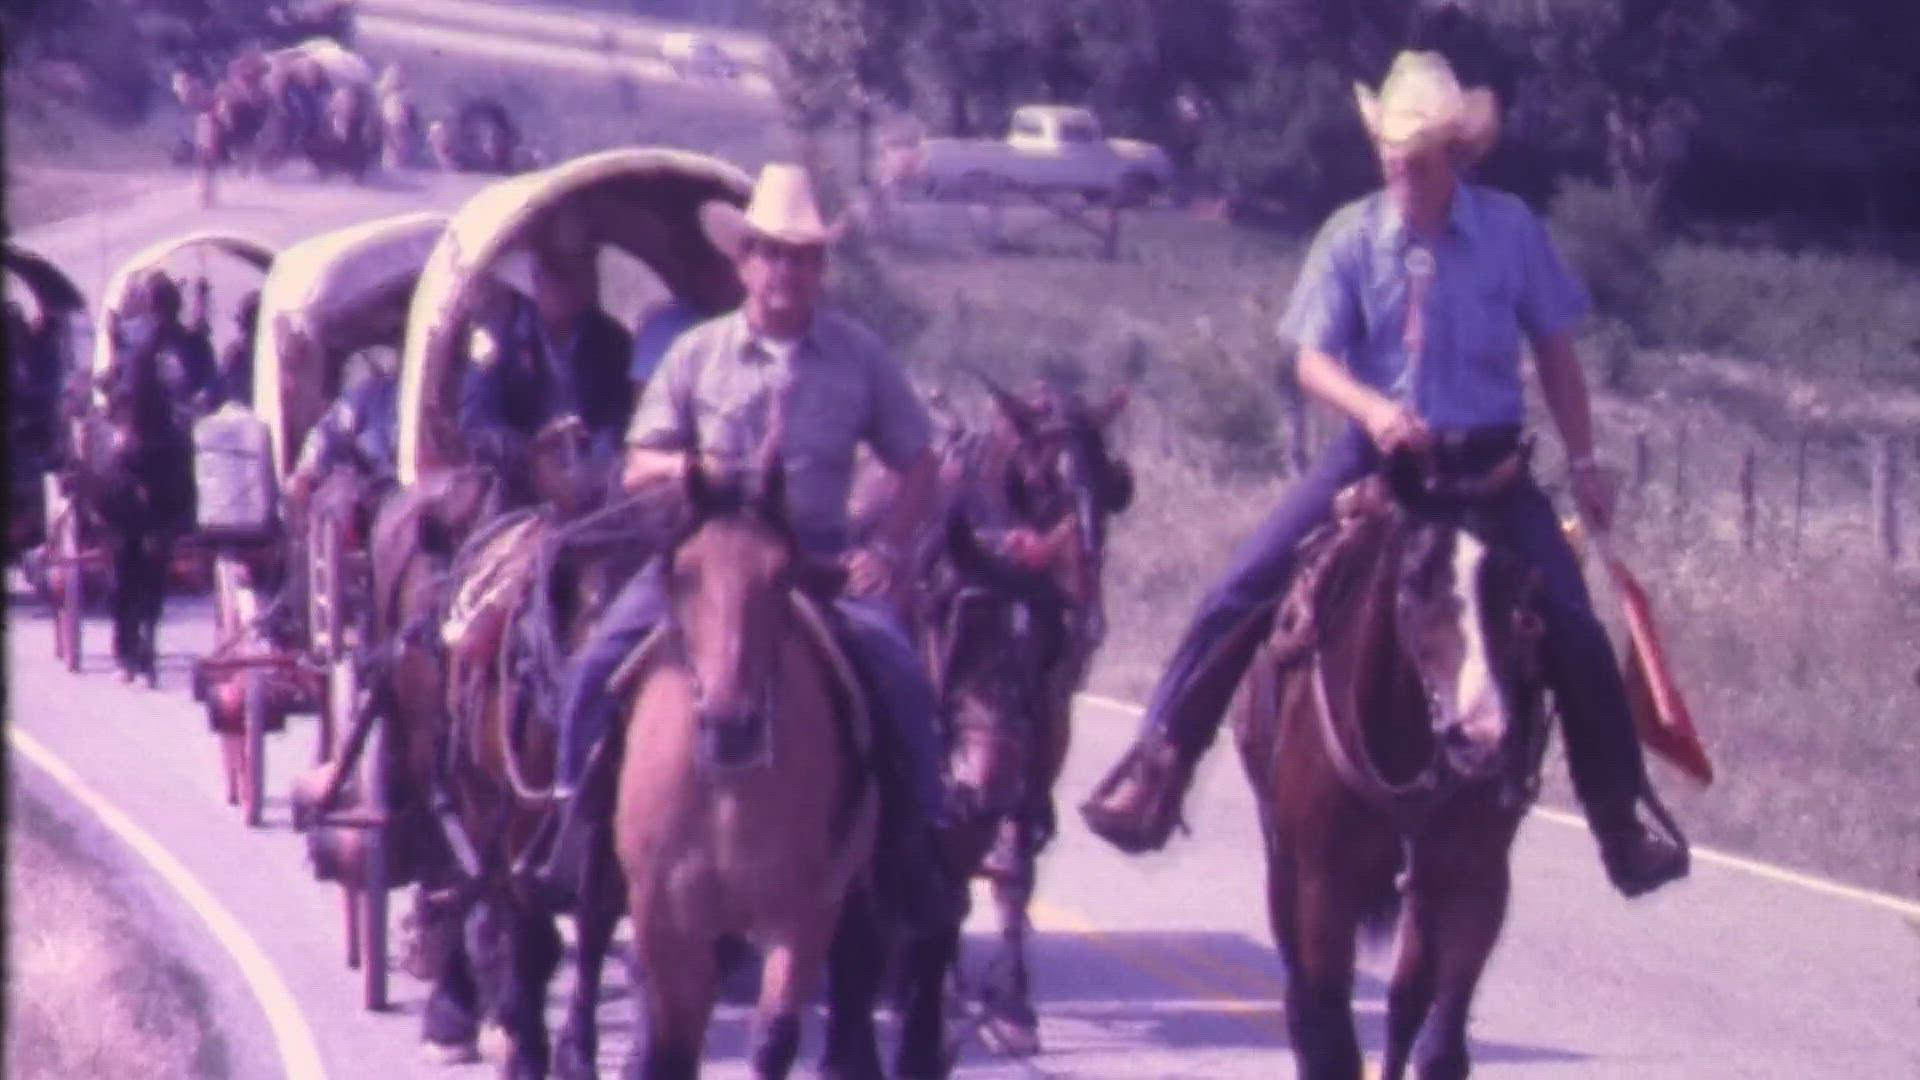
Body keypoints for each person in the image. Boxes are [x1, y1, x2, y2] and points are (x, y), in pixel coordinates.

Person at [1079, 52, 1689, 899]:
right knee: (1239, 589)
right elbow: (1311, 360)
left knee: (1578, 634)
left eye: (1416, 157)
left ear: (1454, 158)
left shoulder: (1511, 231)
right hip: (1378, 460)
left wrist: (1584, 462)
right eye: (1390, 154)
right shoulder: (1353, 234)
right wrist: (1371, 410)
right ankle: (1159, 766)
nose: (1399, 168)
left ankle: (1620, 823)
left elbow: (1555, 349)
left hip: (1490, 472)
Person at [522, 164, 956, 931]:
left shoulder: (859, 358)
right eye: (771, 253)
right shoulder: (697, 355)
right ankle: (568, 826)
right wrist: (693, 469)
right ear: (743, 261)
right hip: (706, 562)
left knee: (898, 671)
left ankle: (921, 842)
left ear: (820, 267)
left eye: (802, 255)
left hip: (815, 560)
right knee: (598, 664)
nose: (786, 270)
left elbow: (918, 461)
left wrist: (886, 550)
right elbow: (637, 463)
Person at [458, 213, 634, 469]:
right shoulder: (498, 339)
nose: (575, 284)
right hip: (524, 480)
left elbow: (620, 412)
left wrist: (599, 455)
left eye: (584, 268)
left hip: (598, 476)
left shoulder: (611, 339)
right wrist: (532, 451)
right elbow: (476, 426)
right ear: (536, 278)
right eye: (561, 273)